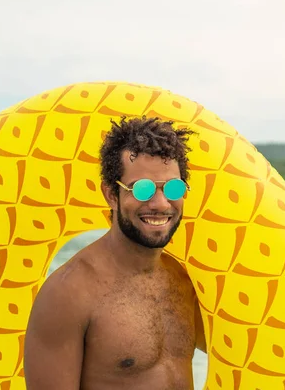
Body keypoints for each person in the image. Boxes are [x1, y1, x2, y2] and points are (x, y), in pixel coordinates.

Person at [24, 116, 206, 389]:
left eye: (173, 187)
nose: (160, 203)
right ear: (111, 194)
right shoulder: (68, 293)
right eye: (142, 189)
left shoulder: (186, 279)